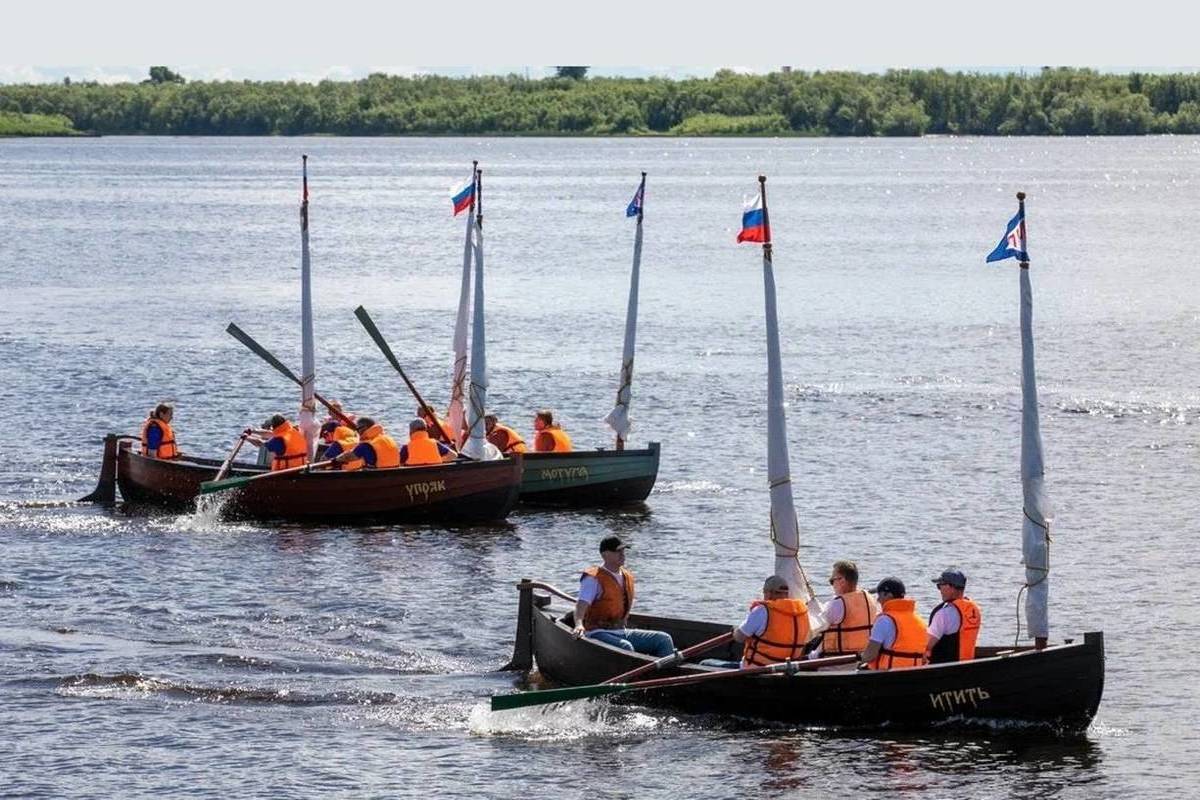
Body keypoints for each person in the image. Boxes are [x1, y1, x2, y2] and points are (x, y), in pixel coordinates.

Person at [571, 536, 674, 657]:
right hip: (596, 632)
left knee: (663, 639)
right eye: (617, 551)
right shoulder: (594, 578)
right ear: (605, 555)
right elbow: (581, 604)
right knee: (626, 647)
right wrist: (578, 624)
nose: (622, 554)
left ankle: (666, 674)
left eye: (623, 551)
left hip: (620, 630)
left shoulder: (626, 575)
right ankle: (637, 675)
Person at [701, 575, 810, 669]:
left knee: (704, 663)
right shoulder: (802, 612)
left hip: (758, 669)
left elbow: (739, 637)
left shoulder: (763, 610)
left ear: (769, 593)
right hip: (787, 667)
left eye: (764, 592)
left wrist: (735, 631)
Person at [811, 560, 879, 658]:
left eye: (832, 581)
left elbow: (816, 628)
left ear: (842, 580)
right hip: (861, 657)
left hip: (834, 662)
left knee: (806, 649)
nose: (832, 585)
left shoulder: (838, 604)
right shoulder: (870, 599)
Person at [858, 578, 928, 671]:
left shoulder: (884, 620)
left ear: (889, 595)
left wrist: (859, 660)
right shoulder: (919, 620)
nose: (878, 600)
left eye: (880, 595)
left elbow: (870, 655)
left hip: (889, 677)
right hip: (914, 675)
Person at [925, 569, 982, 664]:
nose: (939, 590)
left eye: (940, 586)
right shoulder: (974, 610)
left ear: (950, 586)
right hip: (966, 666)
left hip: (942, 669)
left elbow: (926, 645)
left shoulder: (944, 614)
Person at [330, 417, 400, 470]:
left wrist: (335, 460)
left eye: (358, 429)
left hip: (378, 476)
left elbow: (350, 456)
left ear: (365, 427)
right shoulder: (388, 438)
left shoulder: (367, 445)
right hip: (393, 472)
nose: (357, 432)